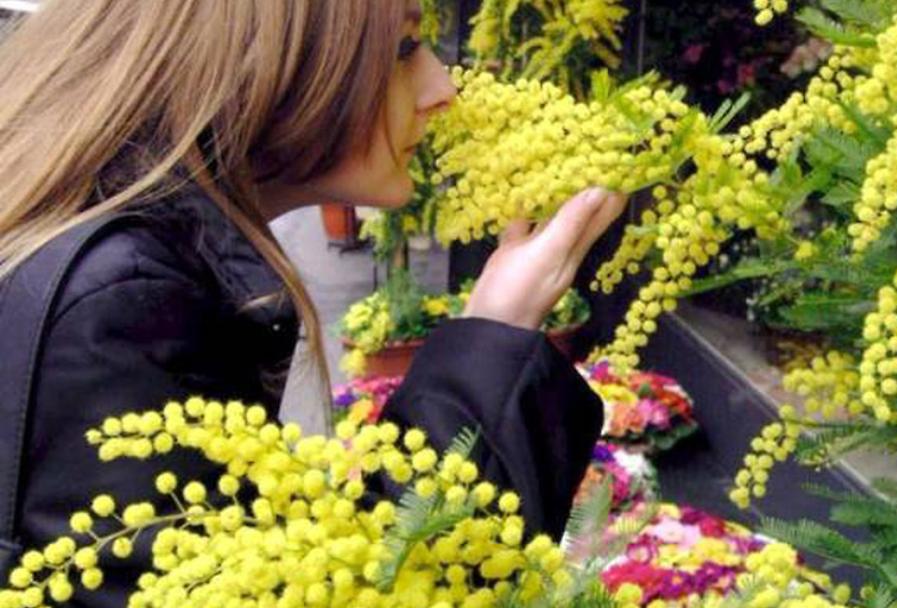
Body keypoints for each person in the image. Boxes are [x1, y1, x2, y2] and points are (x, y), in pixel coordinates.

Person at [0, 1, 625, 605]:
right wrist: (496, 335)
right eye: (405, 48)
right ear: (265, 58)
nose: (443, 87)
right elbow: (383, 586)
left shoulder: (108, 265)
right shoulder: (122, 310)